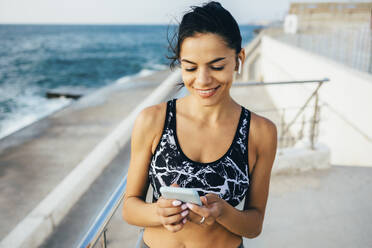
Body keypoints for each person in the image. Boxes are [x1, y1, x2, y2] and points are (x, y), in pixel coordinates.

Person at [122, 2, 277, 247]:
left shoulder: (261, 132)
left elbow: (254, 225)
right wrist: (158, 213)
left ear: (239, 59)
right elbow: (130, 207)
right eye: (190, 67)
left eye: (217, 66)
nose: (202, 80)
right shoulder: (153, 120)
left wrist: (223, 213)